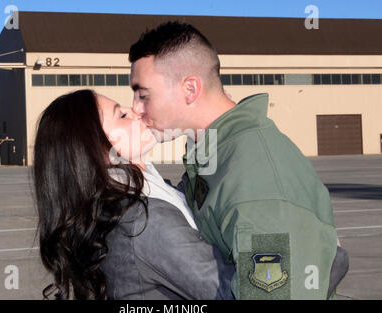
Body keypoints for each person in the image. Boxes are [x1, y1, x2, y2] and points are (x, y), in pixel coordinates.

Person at [129, 21, 349, 299]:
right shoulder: (213, 153)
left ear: (189, 90)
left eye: (143, 95)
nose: (135, 108)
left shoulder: (255, 177)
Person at [32, 89, 234, 300]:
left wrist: (205, 132)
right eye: (122, 115)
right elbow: (235, 290)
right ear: (96, 150)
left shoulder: (124, 201)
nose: (137, 111)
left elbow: (188, 197)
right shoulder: (146, 220)